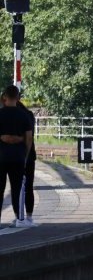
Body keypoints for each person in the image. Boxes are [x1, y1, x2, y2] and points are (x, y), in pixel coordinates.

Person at [0, 84, 30, 227]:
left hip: (1, 157)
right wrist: (25, 155)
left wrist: (5, 138)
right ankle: (19, 218)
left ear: (5, 97)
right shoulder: (24, 115)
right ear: (18, 98)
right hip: (18, 157)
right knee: (17, 189)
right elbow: (28, 138)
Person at [12, 86, 34, 227]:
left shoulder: (6, 113)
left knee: (15, 187)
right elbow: (30, 137)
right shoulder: (28, 114)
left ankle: (18, 217)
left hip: (12, 155)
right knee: (27, 186)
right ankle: (28, 217)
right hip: (28, 155)